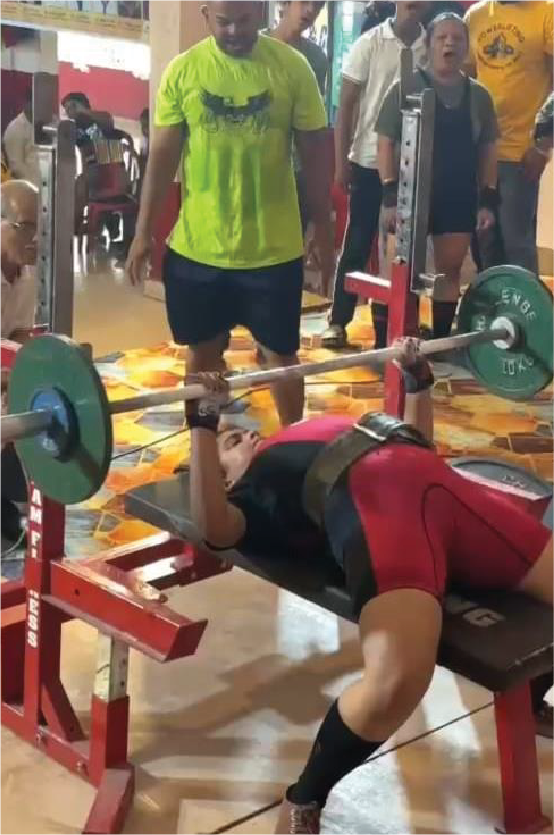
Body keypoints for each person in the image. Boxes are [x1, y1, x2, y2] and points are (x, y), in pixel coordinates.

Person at [185, 336, 554, 834]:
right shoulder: (258, 490)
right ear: (223, 481)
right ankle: (304, 798)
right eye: (230, 446)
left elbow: (419, 446)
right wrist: (202, 424)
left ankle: (531, 701)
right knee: (396, 680)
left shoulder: (300, 432)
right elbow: (213, 527)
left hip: (443, 489)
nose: (246, 437)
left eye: (240, 433)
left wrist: (417, 381)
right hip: (381, 508)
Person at [126, 0, 335, 428]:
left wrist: (322, 225)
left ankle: (293, 444)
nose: (235, 31)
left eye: (244, 20)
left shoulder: (292, 68)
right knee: (202, 354)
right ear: (206, 15)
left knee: (281, 356)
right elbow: (162, 159)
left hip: (273, 250)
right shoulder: (184, 71)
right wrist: (143, 231)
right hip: (199, 250)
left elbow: (315, 154)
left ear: (261, 12)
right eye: (224, 22)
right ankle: (202, 443)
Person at [376, 13, 497, 341]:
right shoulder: (406, 87)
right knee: (398, 272)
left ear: (467, 47)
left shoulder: (479, 96)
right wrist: (389, 195)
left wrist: (487, 199)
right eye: (442, 37)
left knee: (449, 272)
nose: (449, 44)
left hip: (456, 195)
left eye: (457, 38)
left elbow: (488, 150)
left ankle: (439, 341)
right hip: (408, 195)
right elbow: (385, 142)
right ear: (428, 44)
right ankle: (388, 341)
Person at [321, 0, 428, 350]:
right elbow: (346, 105)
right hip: (368, 161)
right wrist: (341, 162)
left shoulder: (432, 45)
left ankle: (401, 325)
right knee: (358, 241)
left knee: (405, 251)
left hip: (415, 165)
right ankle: (338, 320)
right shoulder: (369, 43)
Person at [465, 0, 554, 275]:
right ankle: (493, 302)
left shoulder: (547, 12)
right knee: (484, 243)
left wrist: (543, 147)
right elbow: (465, 80)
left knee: (517, 245)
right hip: (479, 152)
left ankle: (524, 304)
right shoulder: (476, 16)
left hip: (521, 154)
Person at [0, 179, 39, 543]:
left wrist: (23, 379)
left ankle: (7, 502)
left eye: (37, 229)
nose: (33, 240)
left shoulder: (26, 276)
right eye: (23, 228)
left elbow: (21, 335)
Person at [3, 88, 39, 188]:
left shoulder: (50, 123)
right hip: (27, 188)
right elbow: (16, 166)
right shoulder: (15, 128)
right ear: (27, 104)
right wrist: (35, 186)